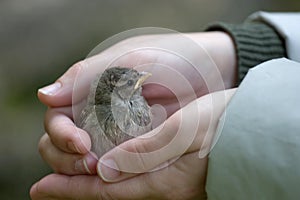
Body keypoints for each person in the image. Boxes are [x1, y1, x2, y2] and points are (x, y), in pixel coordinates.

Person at [30, 11, 300, 199]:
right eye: (131, 84)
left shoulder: (142, 104)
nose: (141, 82)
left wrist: (230, 135)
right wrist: (241, 54)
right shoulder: (95, 112)